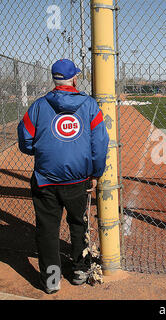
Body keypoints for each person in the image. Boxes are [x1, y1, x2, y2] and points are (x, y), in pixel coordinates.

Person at [17, 59, 109, 294]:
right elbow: (100, 142)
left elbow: (25, 139)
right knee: (78, 223)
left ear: (54, 79)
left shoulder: (38, 106)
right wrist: (96, 172)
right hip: (78, 179)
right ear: (74, 78)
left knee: (47, 228)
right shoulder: (89, 105)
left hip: (46, 178)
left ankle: (51, 280)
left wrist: (40, 151)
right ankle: (79, 271)